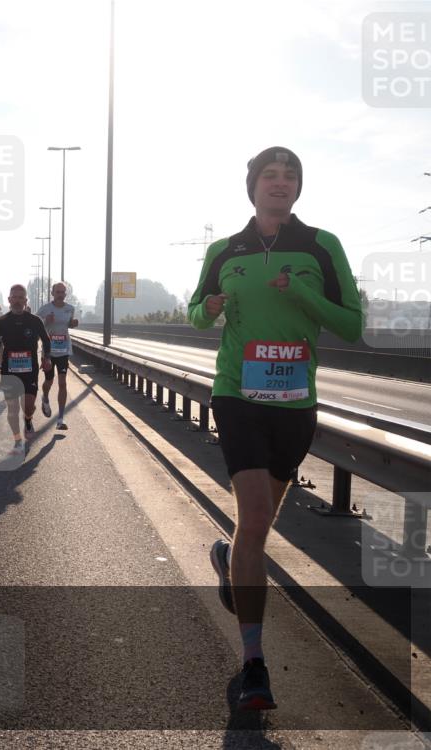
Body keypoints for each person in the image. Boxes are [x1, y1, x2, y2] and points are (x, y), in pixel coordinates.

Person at [189, 147, 362, 711]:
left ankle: (227, 556)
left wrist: (304, 293)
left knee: (253, 531)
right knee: (258, 515)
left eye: (290, 176)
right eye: (271, 175)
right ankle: (254, 663)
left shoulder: (320, 246)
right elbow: (195, 311)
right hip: (236, 395)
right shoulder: (225, 250)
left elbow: (352, 325)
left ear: (297, 189)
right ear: (253, 185)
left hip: (294, 404)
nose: (280, 183)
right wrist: (209, 306)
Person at [0, 284, 51, 455]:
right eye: (14, 297)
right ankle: (17, 441)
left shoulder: (35, 321)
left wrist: (47, 358)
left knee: (28, 406)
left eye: (20, 297)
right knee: (13, 408)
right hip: (9, 370)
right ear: (9, 300)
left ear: (25, 300)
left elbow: (46, 341)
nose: (17, 300)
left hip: (29, 369)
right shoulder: (2, 321)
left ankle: (29, 419)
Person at [38, 281, 79, 429]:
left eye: (63, 292)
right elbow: (36, 327)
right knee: (49, 381)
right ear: (52, 293)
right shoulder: (44, 309)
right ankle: (45, 397)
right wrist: (44, 321)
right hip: (49, 351)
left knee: (63, 383)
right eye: (58, 292)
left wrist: (73, 324)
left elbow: (67, 325)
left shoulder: (70, 309)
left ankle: (60, 419)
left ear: (65, 294)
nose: (60, 295)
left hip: (63, 350)